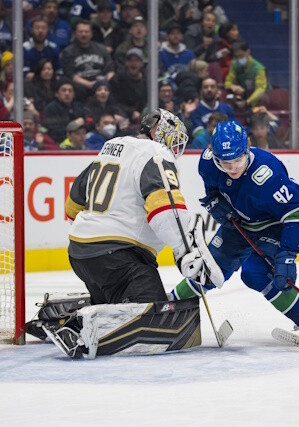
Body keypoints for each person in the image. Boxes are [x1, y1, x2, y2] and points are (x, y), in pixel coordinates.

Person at [48, 108, 222, 358]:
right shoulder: (156, 153)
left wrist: (93, 231)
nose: (174, 148)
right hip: (121, 260)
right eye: (174, 140)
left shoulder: (111, 146)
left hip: (80, 254)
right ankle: (78, 326)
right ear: (159, 133)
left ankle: (82, 314)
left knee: (115, 303)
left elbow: (72, 205)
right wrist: (184, 252)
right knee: (158, 318)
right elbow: (164, 209)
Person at [169, 120, 299, 344]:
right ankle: (166, 306)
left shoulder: (268, 174)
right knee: (208, 270)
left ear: (248, 147)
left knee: (256, 273)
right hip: (238, 225)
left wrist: (287, 254)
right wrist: (214, 201)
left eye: (238, 160)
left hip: (273, 226)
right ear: (213, 154)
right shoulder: (207, 163)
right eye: (226, 163)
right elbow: (213, 188)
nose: (233, 168)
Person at [62, 20, 115, 102]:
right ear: (76, 33)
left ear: (91, 33)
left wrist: (102, 83)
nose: (84, 34)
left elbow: (110, 71)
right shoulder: (68, 51)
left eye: (86, 32)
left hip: (101, 82)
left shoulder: (101, 49)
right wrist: (89, 84)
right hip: (81, 85)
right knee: (77, 88)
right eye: (81, 32)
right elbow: (71, 75)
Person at [224, 40, 268, 108]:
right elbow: (227, 82)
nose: (239, 59)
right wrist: (233, 87)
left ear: (248, 52)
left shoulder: (259, 69)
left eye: (241, 55)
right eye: (236, 57)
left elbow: (260, 89)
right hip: (244, 97)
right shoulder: (234, 65)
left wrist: (247, 102)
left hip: (261, 100)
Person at [109, 48, 147, 124]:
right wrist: (132, 112)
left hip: (142, 113)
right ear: (126, 62)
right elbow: (114, 102)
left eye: (137, 61)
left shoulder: (148, 79)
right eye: (130, 61)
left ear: (142, 63)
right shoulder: (117, 79)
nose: (133, 63)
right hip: (123, 112)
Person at [43, 79, 87, 144]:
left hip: (80, 141)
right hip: (58, 142)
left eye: (70, 91)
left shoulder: (79, 107)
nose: (67, 93)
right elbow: (53, 130)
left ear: (74, 94)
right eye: (63, 90)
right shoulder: (51, 108)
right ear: (56, 94)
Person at [22, 14, 62, 80]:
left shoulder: (53, 48)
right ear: (32, 30)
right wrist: (44, 76)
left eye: (43, 28)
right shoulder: (25, 48)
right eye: (37, 28)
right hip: (30, 85)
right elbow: (25, 74)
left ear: (47, 30)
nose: (40, 31)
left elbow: (59, 73)